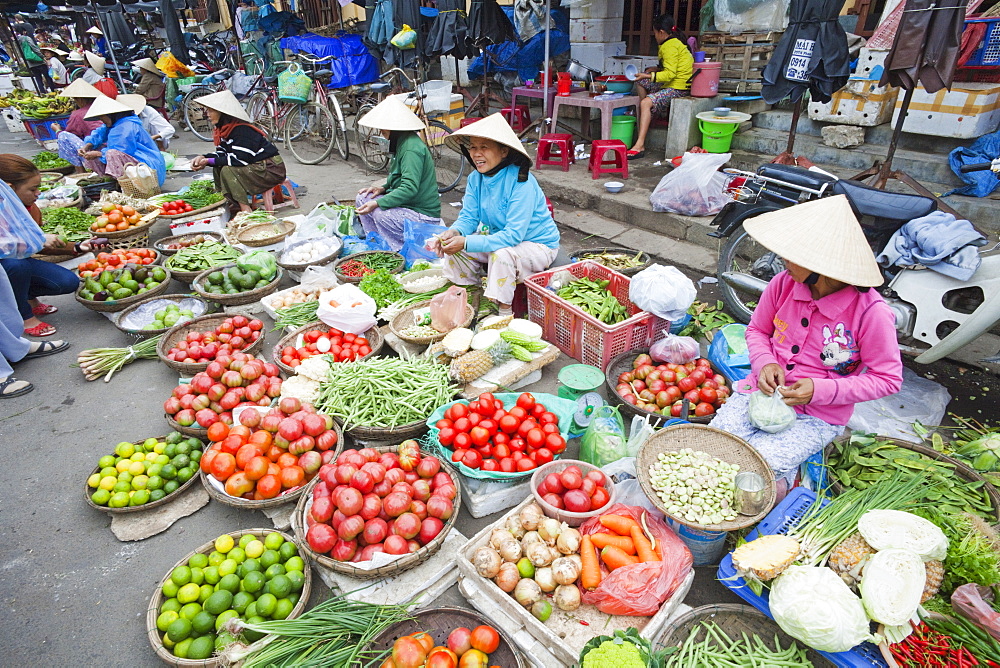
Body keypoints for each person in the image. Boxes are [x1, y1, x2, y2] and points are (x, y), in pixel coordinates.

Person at [709, 195, 903, 498]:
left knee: (756, 467)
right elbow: (758, 331)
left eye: (792, 254)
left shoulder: (872, 313)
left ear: (821, 267)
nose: (782, 258)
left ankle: (791, 478)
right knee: (714, 448)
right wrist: (765, 364)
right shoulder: (783, 284)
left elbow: (887, 379)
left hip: (818, 415)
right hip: (761, 394)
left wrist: (821, 390)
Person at [432, 113, 559, 316]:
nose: (476, 153)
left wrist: (466, 242)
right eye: (473, 147)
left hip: (537, 245)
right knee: (455, 249)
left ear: (503, 151)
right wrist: (455, 232)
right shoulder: (476, 178)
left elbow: (514, 236)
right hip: (501, 238)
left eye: (484, 147)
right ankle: (471, 300)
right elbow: (469, 217)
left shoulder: (521, 181)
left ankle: (504, 314)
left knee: (501, 255)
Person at [0, 155, 105, 337]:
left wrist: (77, 247)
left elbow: (36, 246)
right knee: (16, 266)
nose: (38, 193)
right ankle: (24, 316)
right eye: (33, 189)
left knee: (67, 282)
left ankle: (26, 296)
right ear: (9, 188)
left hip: (17, 266)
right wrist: (33, 241)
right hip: (8, 268)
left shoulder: (29, 208)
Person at [354, 96, 443, 251]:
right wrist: (382, 188)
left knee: (380, 214)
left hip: (423, 215)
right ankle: (376, 241)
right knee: (363, 198)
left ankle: (396, 249)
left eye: (382, 129)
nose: (381, 133)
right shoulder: (401, 142)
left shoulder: (410, 149)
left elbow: (409, 188)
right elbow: (397, 176)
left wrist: (378, 203)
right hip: (407, 206)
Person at [190, 90, 285, 214]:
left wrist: (209, 161)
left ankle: (245, 208)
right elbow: (222, 154)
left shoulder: (242, 131)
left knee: (228, 169)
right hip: (257, 167)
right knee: (218, 166)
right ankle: (226, 201)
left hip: (271, 170)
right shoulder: (225, 130)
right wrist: (203, 158)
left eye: (210, 111)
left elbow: (239, 160)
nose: (207, 114)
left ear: (222, 113)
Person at [627, 16, 693, 159]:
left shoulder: (670, 46)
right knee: (640, 83)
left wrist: (647, 76)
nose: (655, 36)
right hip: (673, 83)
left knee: (645, 101)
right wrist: (655, 69)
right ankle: (648, 115)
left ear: (662, 32)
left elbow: (670, 74)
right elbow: (672, 67)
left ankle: (640, 144)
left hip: (679, 88)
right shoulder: (674, 42)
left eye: (655, 33)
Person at [79, 94, 166, 186]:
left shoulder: (126, 126)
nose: (101, 120)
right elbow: (99, 135)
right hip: (139, 163)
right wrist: (86, 147)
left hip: (148, 168)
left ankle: (126, 185)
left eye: (102, 117)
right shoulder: (116, 123)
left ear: (110, 115)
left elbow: (122, 150)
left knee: (111, 154)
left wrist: (97, 154)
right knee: (96, 147)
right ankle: (112, 180)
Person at [52, 78, 104, 173]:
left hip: (101, 152)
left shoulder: (78, 114)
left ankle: (80, 172)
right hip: (106, 148)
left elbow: (71, 134)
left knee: (63, 136)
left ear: (79, 99)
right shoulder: (104, 108)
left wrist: (57, 130)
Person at [15, 24, 52, 93]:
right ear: (24, 31)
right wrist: (42, 57)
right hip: (38, 61)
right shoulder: (26, 38)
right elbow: (34, 49)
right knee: (47, 77)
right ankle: (53, 90)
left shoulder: (16, 40)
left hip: (30, 63)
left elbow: (18, 52)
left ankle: (42, 92)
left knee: (38, 79)